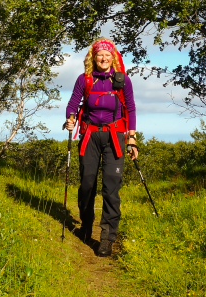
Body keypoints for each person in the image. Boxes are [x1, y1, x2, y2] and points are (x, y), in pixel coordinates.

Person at [63, 38, 137, 257]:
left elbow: (131, 109)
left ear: (112, 57)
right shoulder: (84, 79)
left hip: (115, 137)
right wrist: (70, 118)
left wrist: (131, 139)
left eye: (107, 55)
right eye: (99, 55)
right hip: (90, 136)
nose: (103, 58)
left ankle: (107, 238)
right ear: (93, 58)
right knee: (87, 185)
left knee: (111, 188)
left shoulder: (122, 81)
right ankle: (86, 225)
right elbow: (73, 103)